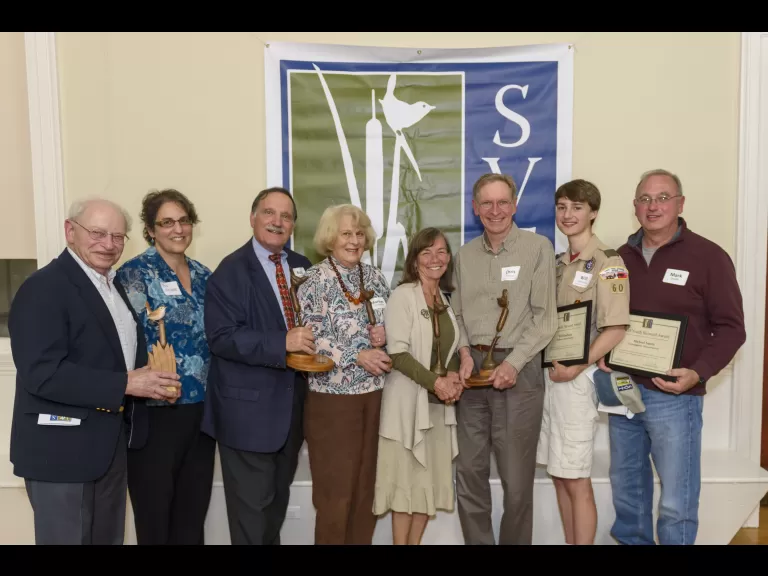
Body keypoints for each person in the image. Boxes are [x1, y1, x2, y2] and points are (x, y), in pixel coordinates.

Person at [8, 198, 181, 545]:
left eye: (118, 236)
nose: (109, 244)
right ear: (70, 231)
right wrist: (127, 383)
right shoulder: (43, 288)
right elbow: (41, 372)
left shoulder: (110, 285)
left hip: (108, 450)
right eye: (98, 233)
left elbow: (107, 356)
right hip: (60, 455)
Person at [600, 168, 746, 545]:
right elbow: (607, 318)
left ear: (680, 204)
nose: (654, 206)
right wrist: (603, 352)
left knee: (676, 504)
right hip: (624, 392)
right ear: (634, 207)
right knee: (627, 494)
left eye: (663, 197)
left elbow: (732, 328)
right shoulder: (618, 259)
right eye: (645, 199)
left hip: (675, 398)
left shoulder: (709, 257)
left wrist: (697, 373)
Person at [202, 186, 313, 545]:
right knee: (251, 519)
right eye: (269, 213)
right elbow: (221, 337)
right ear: (253, 218)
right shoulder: (230, 271)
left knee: (274, 511)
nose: (277, 222)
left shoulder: (302, 266)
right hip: (246, 414)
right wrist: (281, 342)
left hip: (291, 413)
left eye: (286, 216)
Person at [451, 173, 558, 545]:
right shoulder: (463, 256)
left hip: (520, 371)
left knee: (516, 481)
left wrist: (514, 363)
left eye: (502, 203)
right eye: (486, 203)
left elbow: (546, 319)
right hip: (471, 374)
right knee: (468, 473)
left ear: (515, 205)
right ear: (475, 208)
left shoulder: (537, 248)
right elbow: (457, 316)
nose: (495, 211)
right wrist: (464, 352)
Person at [116, 189, 216, 545]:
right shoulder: (134, 275)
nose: (178, 229)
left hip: (200, 413)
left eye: (184, 220)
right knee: (156, 518)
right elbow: (121, 342)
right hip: (154, 413)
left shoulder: (205, 275)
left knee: (192, 516)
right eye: (167, 222)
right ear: (150, 229)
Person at [535, 179, 630, 545]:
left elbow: (616, 327)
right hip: (552, 376)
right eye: (562, 207)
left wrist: (579, 366)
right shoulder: (558, 264)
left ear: (593, 213)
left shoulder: (609, 262)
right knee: (559, 473)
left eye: (577, 207)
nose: (568, 214)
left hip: (578, 380)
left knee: (575, 475)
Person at [297, 204, 391, 545]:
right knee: (336, 493)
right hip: (332, 401)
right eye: (346, 233)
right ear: (329, 238)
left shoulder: (377, 277)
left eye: (359, 233)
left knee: (367, 489)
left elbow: (389, 327)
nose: (354, 240)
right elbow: (309, 338)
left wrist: (386, 335)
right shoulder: (313, 280)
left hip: (376, 395)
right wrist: (357, 355)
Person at [373, 227, 464, 545]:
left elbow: (449, 348)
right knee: (405, 493)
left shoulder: (445, 299)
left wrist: (452, 376)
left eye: (441, 251)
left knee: (426, 491)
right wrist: (437, 383)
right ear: (414, 261)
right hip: (407, 408)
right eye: (426, 252)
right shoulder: (403, 296)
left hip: (439, 410)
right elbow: (397, 354)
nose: (435, 259)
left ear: (449, 258)